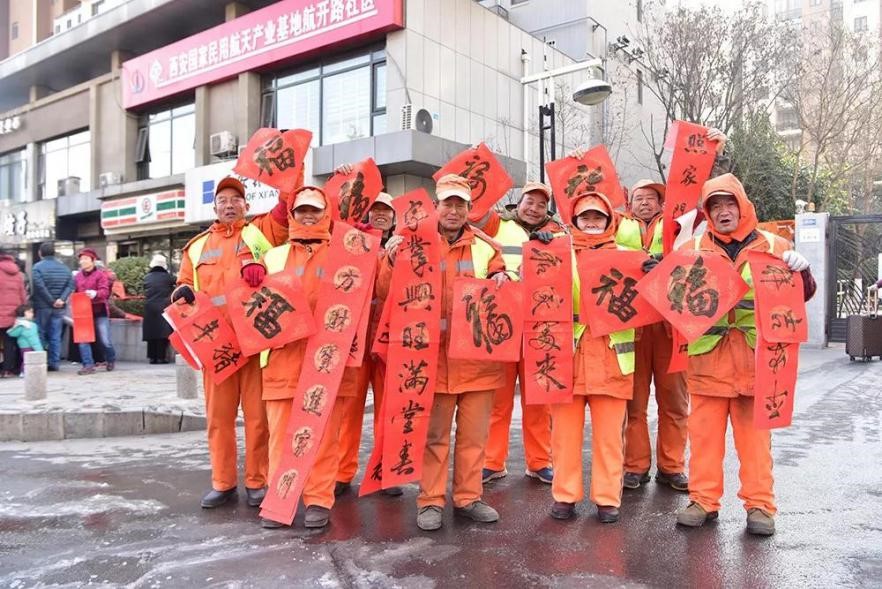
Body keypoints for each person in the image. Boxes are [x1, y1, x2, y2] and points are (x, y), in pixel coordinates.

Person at [670, 173, 816, 536]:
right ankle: (703, 501)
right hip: (708, 358)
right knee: (703, 438)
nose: (723, 212)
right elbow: (671, 301)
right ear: (707, 212)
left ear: (743, 205)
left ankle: (760, 506)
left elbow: (801, 297)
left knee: (754, 443)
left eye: (729, 203)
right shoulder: (691, 250)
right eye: (715, 206)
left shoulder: (775, 245)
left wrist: (804, 272)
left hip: (757, 362)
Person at [382, 173, 509, 531]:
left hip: (477, 362)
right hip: (429, 361)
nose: (453, 210)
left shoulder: (487, 248)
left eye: (460, 204)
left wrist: (505, 278)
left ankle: (469, 497)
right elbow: (386, 292)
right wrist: (390, 261)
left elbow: (505, 277)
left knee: (474, 438)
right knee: (433, 437)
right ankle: (430, 501)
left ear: (470, 209)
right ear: (435, 207)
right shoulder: (410, 243)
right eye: (447, 203)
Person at [172, 175, 292, 510]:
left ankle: (257, 481)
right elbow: (182, 285)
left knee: (258, 418)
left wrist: (291, 177)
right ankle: (222, 483)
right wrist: (181, 294)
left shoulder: (260, 233)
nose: (229, 204)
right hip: (216, 347)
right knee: (219, 419)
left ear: (246, 206)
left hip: (254, 343)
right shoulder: (195, 247)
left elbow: (285, 213)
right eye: (223, 200)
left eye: (235, 199)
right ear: (214, 207)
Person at [259, 186, 366, 529]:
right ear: (291, 215)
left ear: (326, 214)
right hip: (282, 359)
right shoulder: (272, 257)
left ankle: (319, 499)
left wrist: (375, 248)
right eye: (302, 210)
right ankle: (280, 500)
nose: (308, 216)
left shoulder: (345, 255)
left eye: (315, 210)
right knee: (280, 435)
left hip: (326, 362)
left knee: (324, 435)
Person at [549, 192, 635, 523]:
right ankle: (565, 496)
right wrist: (542, 245)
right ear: (574, 220)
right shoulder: (556, 252)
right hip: (565, 357)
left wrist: (652, 268)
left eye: (598, 217)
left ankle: (607, 499)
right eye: (585, 217)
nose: (591, 223)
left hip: (612, 358)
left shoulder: (629, 256)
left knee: (610, 438)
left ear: (609, 220)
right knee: (564, 436)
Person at [472, 182, 560, 486]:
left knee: (538, 399)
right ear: (517, 203)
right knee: (499, 398)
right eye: (529, 201)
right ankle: (492, 461)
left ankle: (539, 461)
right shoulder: (500, 224)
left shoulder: (558, 233)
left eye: (540, 204)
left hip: (540, 325)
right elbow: (475, 214)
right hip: (502, 322)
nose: (533, 208)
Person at [615, 179, 689, 492]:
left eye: (652, 198)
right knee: (633, 402)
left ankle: (671, 467)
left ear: (662, 204)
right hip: (631, 325)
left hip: (670, 324)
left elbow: (694, 256)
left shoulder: (678, 226)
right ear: (629, 202)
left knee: (674, 399)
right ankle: (635, 466)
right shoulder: (614, 225)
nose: (645, 202)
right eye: (639, 197)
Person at [335, 189, 403, 498]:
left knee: (389, 409)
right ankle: (340, 472)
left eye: (386, 211)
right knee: (348, 408)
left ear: (394, 218)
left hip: (388, 340)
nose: (380, 214)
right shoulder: (352, 242)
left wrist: (393, 255)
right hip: (355, 340)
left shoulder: (402, 247)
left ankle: (386, 471)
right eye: (375, 209)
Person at [73, 248, 117, 375]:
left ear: (93, 261)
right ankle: (88, 365)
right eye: (81, 259)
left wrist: (95, 293)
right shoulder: (77, 276)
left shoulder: (100, 275)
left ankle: (110, 359)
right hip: (83, 311)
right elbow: (74, 291)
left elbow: (105, 292)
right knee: (83, 339)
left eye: (86, 259)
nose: (83, 262)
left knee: (105, 340)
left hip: (99, 310)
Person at [142, 253, 175, 364]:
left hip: (149, 308)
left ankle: (152, 358)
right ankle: (162, 357)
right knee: (163, 334)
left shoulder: (146, 277)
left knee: (152, 334)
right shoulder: (168, 278)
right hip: (163, 307)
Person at [0, 250, 27, 377]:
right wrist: (22, 310)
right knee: (9, 342)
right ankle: (8, 370)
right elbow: (23, 295)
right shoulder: (18, 274)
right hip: (13, 313)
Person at [7, 304, 43, 375]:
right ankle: (25, 372)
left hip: (22, 347)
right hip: (31, 347)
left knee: (25, 360)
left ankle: (23, 371)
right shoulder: (31, 325)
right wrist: (39, 349)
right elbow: (33, 339)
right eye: (30, 312)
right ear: (25, 313)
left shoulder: (19, 324)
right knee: (30, 360)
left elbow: (12, 333)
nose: (32, 314)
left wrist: (14, 327)